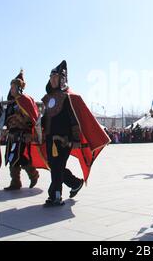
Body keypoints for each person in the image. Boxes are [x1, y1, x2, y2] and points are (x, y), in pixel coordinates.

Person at [41, 60, 111, 206]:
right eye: (51, 77)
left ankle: (55, 196)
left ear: (62, 79)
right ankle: (75, 183)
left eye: (56, 77)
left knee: (58, 166)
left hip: (63, 140)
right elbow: (46, 119)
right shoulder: (48, 99)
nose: (52, 80)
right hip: (49, 139)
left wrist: (76, 140)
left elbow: (75, 120)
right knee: (54, 166)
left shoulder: (69, 98)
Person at [3, 70, 41, 190]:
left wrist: (30, 132)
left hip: (22, 134)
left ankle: (33, 175)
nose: (11, 89)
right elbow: (5, 120)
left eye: (14, 87)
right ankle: (15, 182)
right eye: (11, 87)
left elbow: (32, 117)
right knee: (11, 158)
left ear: (19, 88)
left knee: (21, 158)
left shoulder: (25, 100)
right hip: (12, 134)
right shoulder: (11, 103)